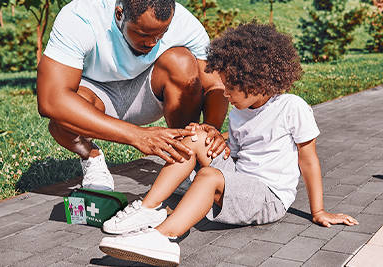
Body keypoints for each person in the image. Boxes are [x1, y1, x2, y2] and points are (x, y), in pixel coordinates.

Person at [96, 23, 359, 266]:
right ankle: (148, 209)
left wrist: (319, 210)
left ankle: (163, 238)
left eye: (231, 86)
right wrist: (211, 136)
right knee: (197, 136)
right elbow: (236, 148)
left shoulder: (292, 107)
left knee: (210, 176)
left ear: (257, 81)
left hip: (269, 196)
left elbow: (308, 160)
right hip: (240, 177)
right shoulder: (239, 112)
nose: (225, 93)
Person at [37, 0, 230, 191]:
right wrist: (136, 136)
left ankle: (182, 159)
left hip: (146, 92)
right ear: (119, 14)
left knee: (182, 62)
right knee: (63, 110)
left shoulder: (182, 21)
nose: (153, 42)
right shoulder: (81, 17)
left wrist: (210, 128)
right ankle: (91, 156)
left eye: (161, 34)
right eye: (143, 34)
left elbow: (215, 84)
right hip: (95, 95)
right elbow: (51, 101)